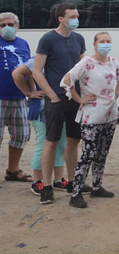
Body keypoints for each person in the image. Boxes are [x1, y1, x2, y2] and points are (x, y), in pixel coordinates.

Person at [61, 32, 119, 208]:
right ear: (95, 45)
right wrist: (78, 99)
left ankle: (97, 186)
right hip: (91, 115)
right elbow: (67, 80)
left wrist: (116, 95)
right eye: (102, 41)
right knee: (87, 155)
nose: (105, 44)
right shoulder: (86, 63)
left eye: (108, 41)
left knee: (102, 153)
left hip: (110, 115)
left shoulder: (113, 62)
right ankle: (76, 193)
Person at [32, 3, 86, 204]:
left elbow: (82, 67)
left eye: (77, 15)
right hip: (56, 99)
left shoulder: (79, 39)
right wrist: (51, 95)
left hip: (75, 98)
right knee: (51, 141)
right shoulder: (47, 39)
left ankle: (72, 182)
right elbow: (37, 70)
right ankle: (46, 186)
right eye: (72, 16)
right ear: (60, 18)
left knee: (74, 141)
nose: (76, 19)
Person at [12, 59, 67, 195]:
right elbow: (17, 74)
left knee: (61, 143)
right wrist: (29, 92)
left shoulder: (64, 54)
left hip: (61, 106)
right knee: (43, 144)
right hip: (41, 109)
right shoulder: (38, 58)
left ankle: (59, 179)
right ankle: (37, 180)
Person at [1, 12, 32, 183]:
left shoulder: (23, 44)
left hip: (19, 97)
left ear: (17, 26)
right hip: (0, 97)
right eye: (2, 25)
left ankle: (13, 170)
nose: (7, 28)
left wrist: (31, 92)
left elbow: (29, 68)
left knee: (21, 135)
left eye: (11, 24)